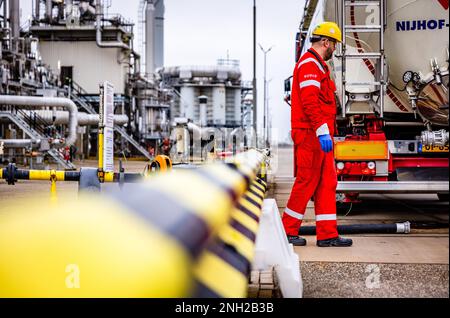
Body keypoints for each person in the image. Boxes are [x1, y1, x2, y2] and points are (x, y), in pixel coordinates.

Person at [282, 22, 353, 247]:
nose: (334, 49)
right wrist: (322, 131)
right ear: (325, 42)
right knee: (307, 181)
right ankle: (287, 230)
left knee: (326, 183)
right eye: (334, 44)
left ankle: (327, 235)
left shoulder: (317, 66)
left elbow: (311, 99)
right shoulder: (311, 64)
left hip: (318, 134)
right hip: (311, 134)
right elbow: (311, 102)